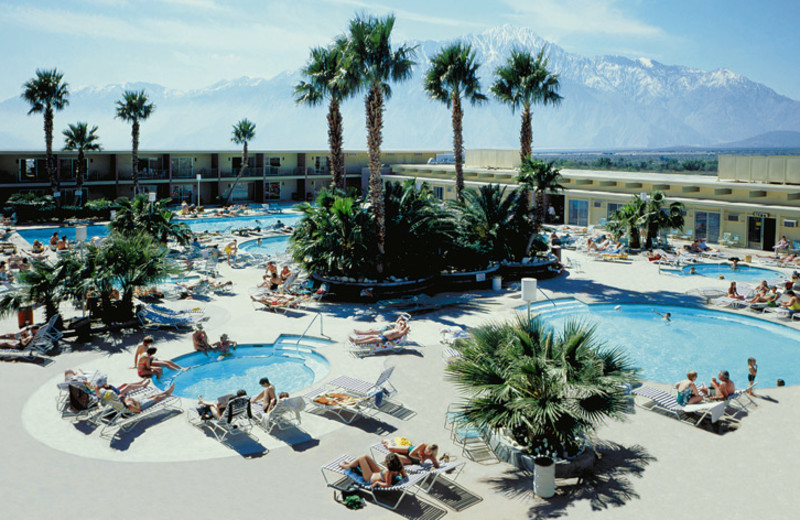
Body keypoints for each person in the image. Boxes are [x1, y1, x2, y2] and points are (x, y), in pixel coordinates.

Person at [338, 453, 407, 489]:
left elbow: (387, 485)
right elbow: (405, 476)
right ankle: (351, 463)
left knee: (361, 458)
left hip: (370, 478)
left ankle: (347, 466)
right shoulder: (400, 467)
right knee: (366, 456)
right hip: (379, 473)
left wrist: (377, 483)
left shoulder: (389, 473)